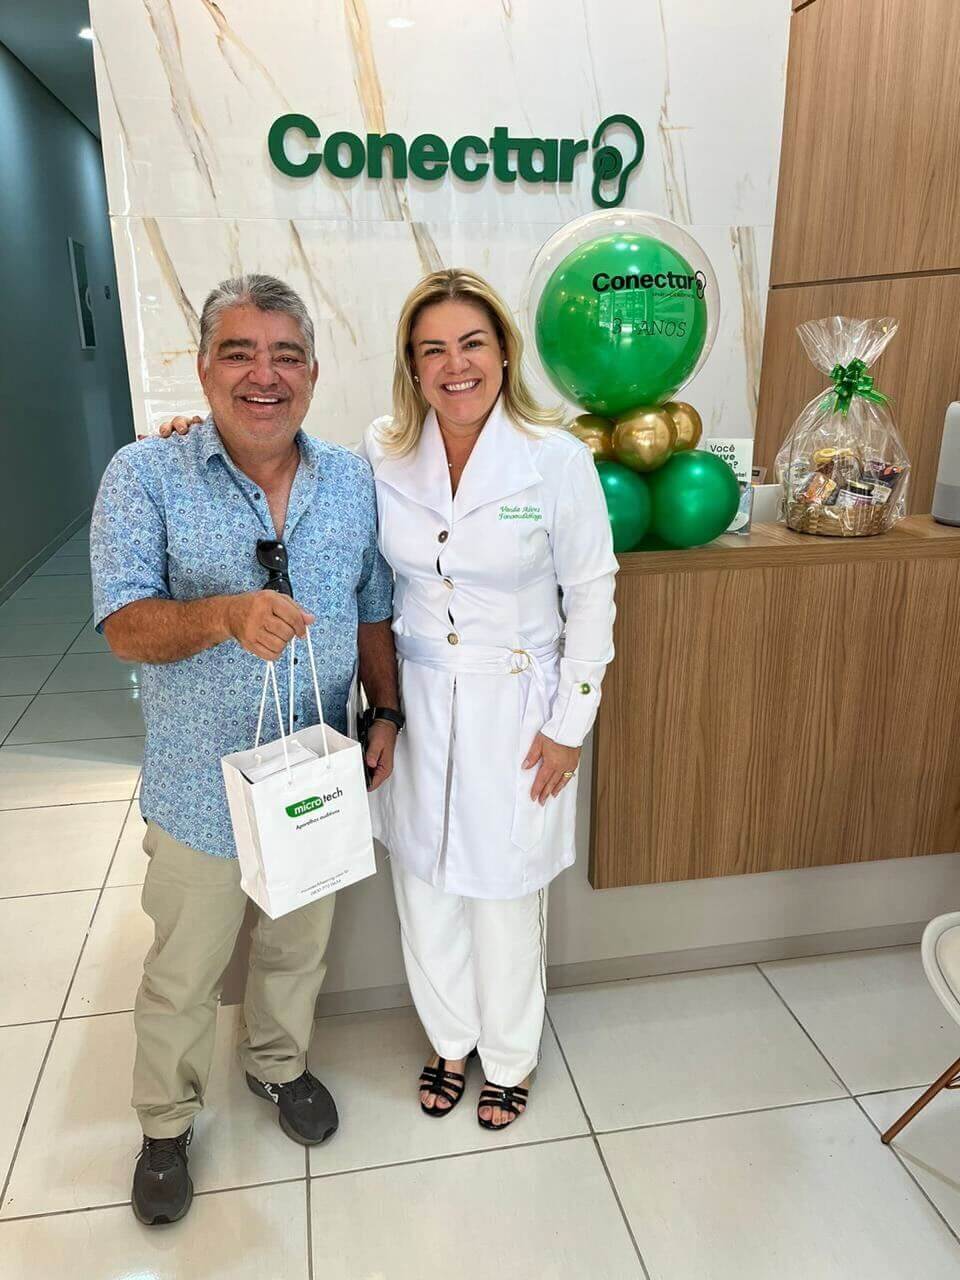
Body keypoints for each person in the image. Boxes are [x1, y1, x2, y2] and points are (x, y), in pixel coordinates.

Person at [161, 267, 617, 1130]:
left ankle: (509, 1057)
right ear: (411, 365)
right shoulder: (385, 450)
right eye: (432, 349)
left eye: (472, 343)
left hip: (520, 706)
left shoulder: (555, 459)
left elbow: (594, 598)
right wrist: (195, 431)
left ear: (504, 351)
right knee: (425, 883)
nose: (455, 365)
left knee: (506, 893)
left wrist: (570, 728)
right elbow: (283, 454)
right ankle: (449, 1042)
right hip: (416, 700)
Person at [91, 274, 399, 1227]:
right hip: (199, 785)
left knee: (297, 946)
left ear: (312, 373)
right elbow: (123, 626)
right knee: (183, 971)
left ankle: (275, 1064)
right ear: (203, 369)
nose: (264, 375)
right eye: (239, 353)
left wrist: (385, 712)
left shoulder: (350, 478)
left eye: (286, 356)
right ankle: (165, 1124)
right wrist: (224, 615)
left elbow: (374, 608)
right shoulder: (145, 474)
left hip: (316, 768)